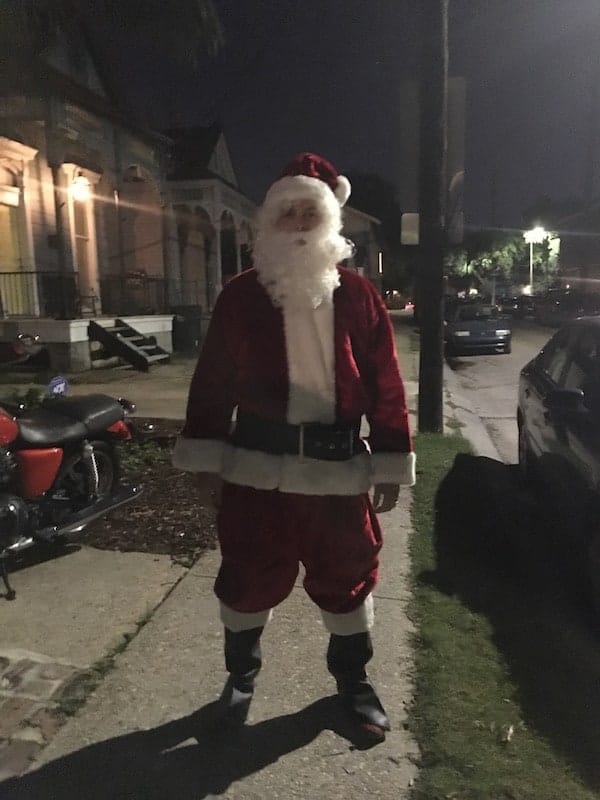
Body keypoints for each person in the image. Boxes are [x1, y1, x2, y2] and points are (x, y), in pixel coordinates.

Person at [173, 152, 415, 741]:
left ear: (329, 220)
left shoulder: (359, 297)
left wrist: (389, 459)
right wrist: (205, 457)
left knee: (348, 578)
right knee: (247, 578)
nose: (301, 223)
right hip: (257, 473)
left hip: (337, 473)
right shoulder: (240, 296)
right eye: (290, 212)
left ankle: (353, 686)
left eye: (312, 212)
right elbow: (212, 381)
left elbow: (385, 381)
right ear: (272, 221)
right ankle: (239, 681)